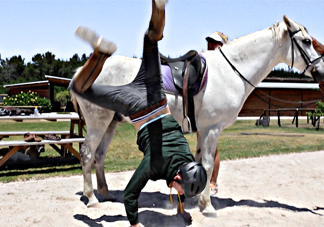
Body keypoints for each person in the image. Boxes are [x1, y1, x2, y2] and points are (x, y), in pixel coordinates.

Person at [69, 1, 207, 226]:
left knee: (150, 39)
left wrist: (181, 212)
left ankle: (158, 8)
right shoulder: (154, 165)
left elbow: (182, 185)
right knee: (78, 88)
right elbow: (131, 195)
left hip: (156, 95)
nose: (183, 194)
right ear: (180, 177)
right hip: (136, 107)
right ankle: (100, 55)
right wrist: (134, 224)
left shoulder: (188, 162)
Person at [205, 31, 228, 196]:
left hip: (213, 111)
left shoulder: (223, 64)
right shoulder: (206, 59)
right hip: (203, 110)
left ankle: (213, 183)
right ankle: (204, 182)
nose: (210, 44)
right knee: (205, 148)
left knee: (212, 148)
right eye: (209, 41)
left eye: (214, 42)